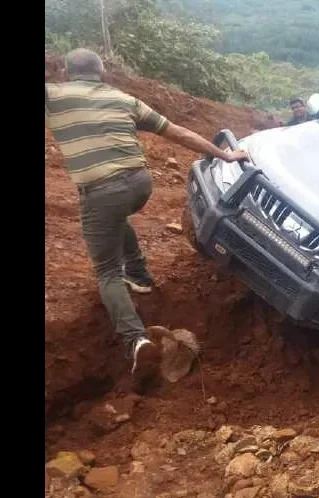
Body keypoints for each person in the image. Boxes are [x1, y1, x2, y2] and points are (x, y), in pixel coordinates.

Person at [45, 48, 250, 390]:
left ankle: (136, 341)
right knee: (114, 219)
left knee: (107, 271)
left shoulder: (55, 94)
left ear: (67, 71)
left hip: (101, 190)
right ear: (103, 73)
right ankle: (139, 274)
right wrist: (225, 154)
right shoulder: (124, 99)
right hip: (140, 184)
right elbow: (179, 133)